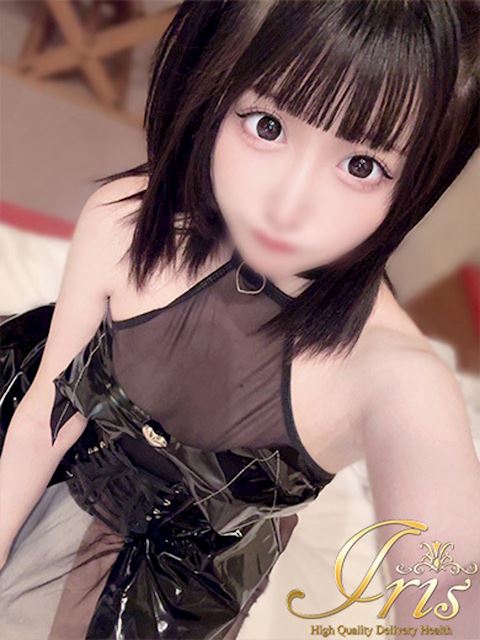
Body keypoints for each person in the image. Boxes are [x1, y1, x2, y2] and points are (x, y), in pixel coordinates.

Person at [1, 1, 480, 638]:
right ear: (215, 92)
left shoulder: (394, 377)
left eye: (361, 165)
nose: (289, 205)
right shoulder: (124, 221)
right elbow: (44, 413)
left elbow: (450, 594)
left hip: (185, 591)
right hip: (43, 463)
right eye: (268, 126)